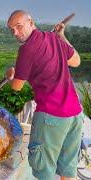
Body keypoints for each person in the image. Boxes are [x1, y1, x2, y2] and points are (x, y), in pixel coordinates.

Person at [6, 10, 85, 180]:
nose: (16, 33)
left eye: (19, 27)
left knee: (44, 172)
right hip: (75, 115)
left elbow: (17, 87)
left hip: (51, 116)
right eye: (12, 30)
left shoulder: (26, 49)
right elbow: (77, 61)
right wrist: (62, 36)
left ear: (31, 22)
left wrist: (10, 74)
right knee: (68, 170)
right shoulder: (55, 39)